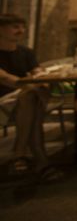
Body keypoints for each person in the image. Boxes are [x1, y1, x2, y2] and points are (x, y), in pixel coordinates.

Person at [0, 14, 63, 181]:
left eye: (21, 27)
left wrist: (39, 78)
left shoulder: (26, 52)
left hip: (25, 100)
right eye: (15, 27)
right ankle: (40, 162)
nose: (20, 31)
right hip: (4, 100)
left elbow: (38, 72)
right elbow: (6, 78)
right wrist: (33, 84)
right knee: (32, 97)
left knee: (31, 98)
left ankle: (20, 155)